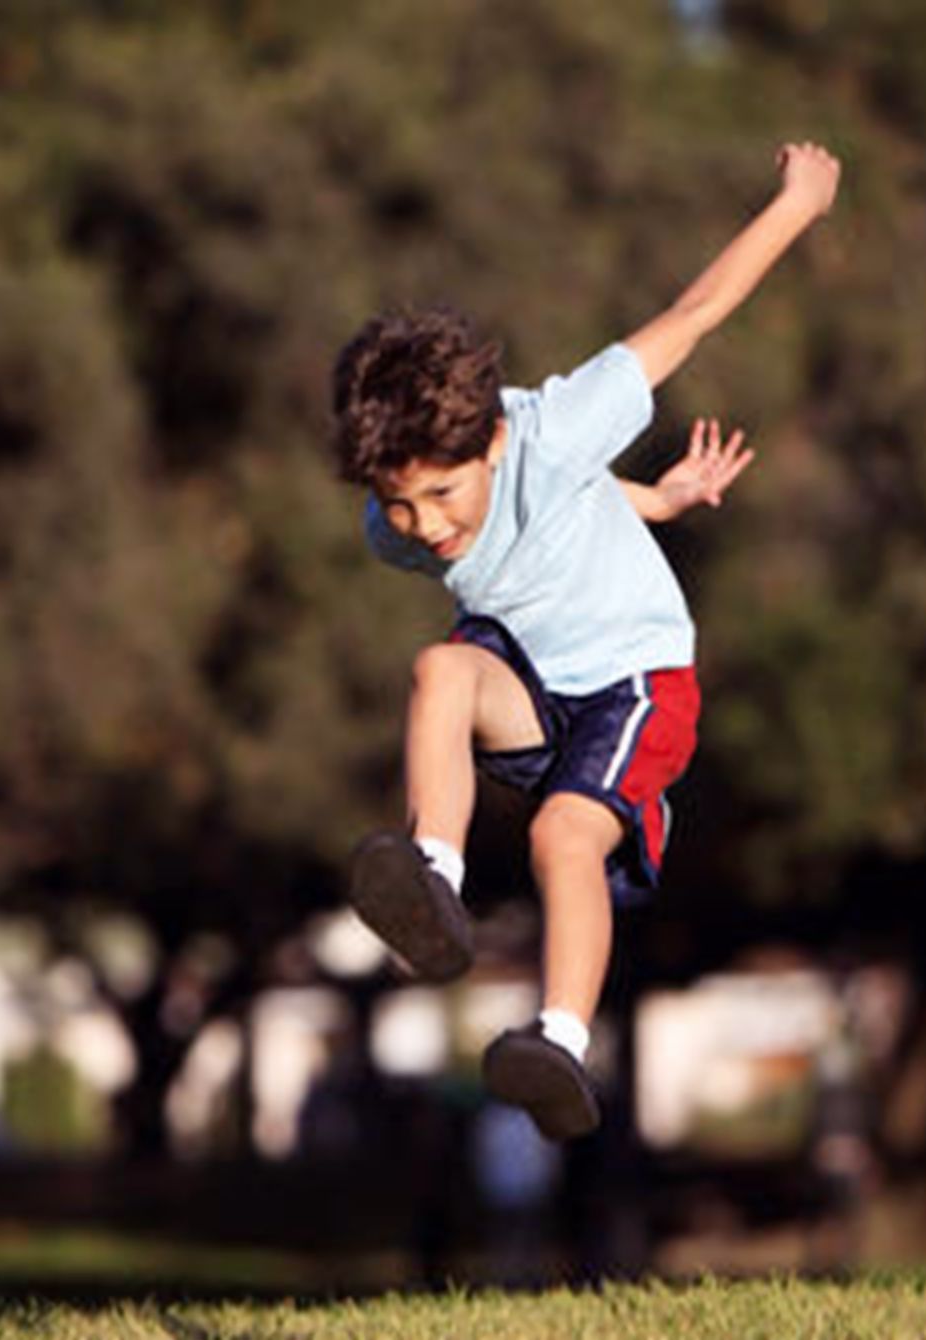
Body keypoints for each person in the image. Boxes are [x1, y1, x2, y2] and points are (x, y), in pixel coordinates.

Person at [332, 142, 842, 1140]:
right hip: (528, 681)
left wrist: (798, 203)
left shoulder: (559, 425)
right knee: (438, 666)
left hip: (633, 682)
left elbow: (692, 313)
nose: (427, 526)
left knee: (561, 834)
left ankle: (556, 1040)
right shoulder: (392, 529)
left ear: (490, 442)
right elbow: (558, 516)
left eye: (441, 494)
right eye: (398, 505)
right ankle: (433, 877)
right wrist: (655, 498)